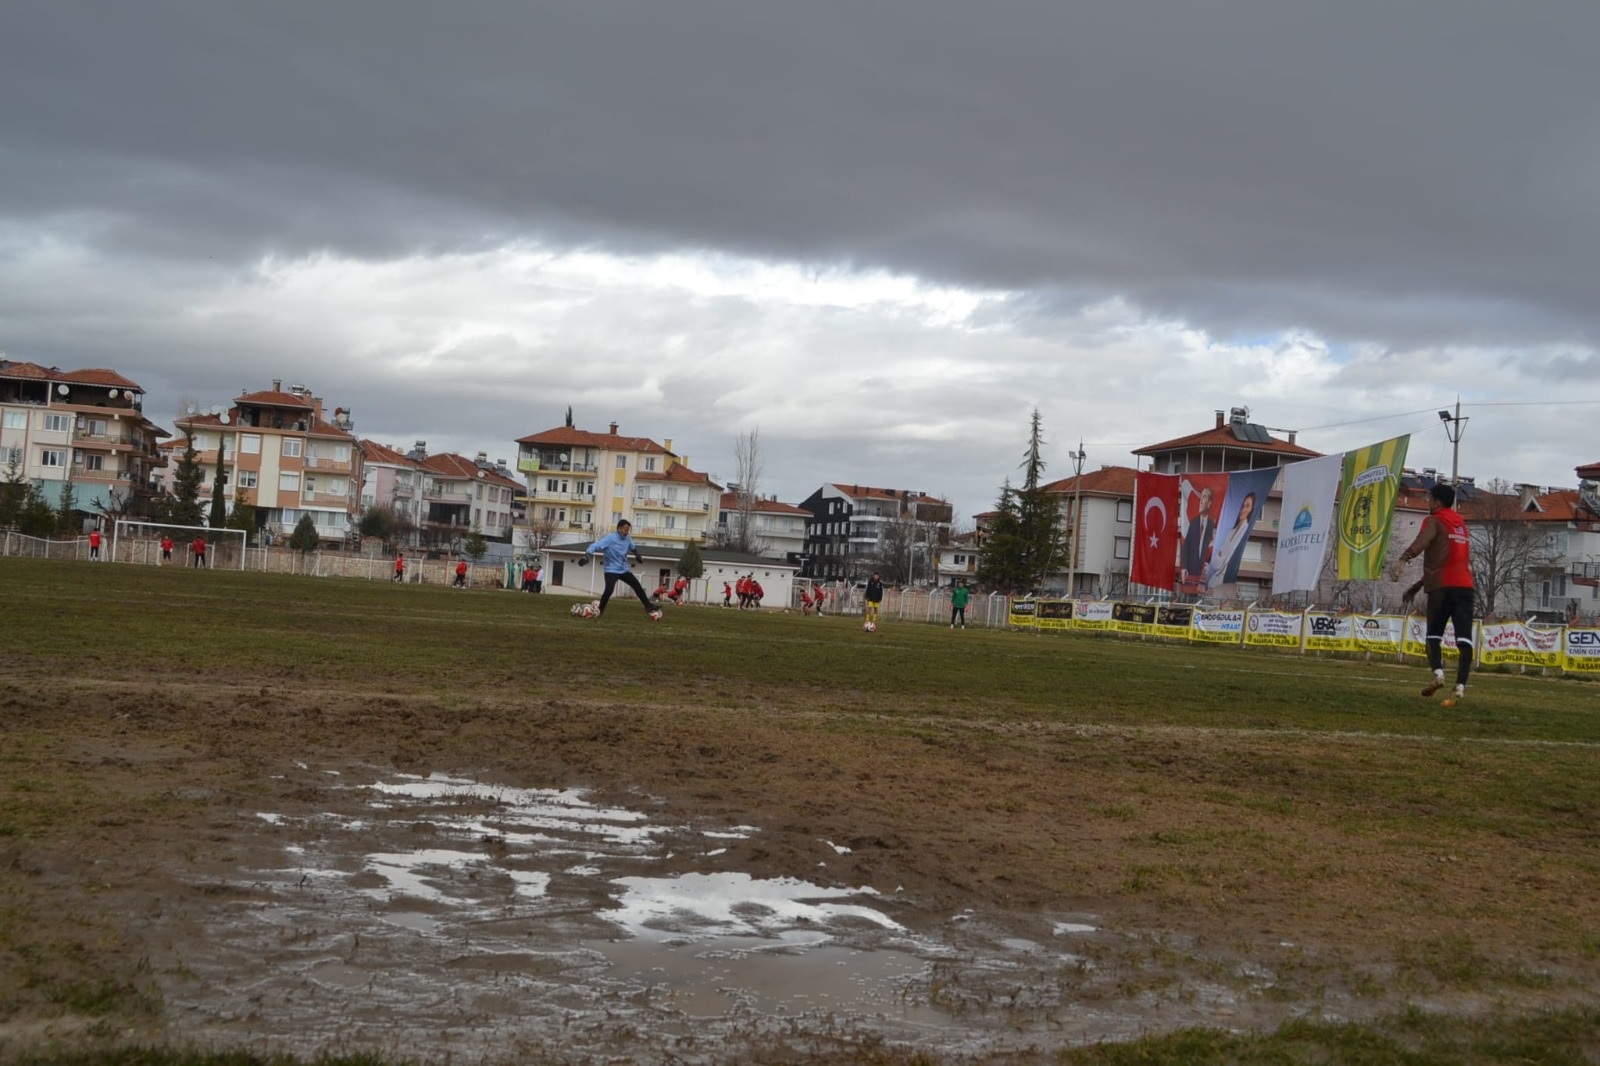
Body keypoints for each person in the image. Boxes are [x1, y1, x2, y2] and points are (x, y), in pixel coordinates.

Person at [1388, 482, 1475, 705]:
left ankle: (1438, 674)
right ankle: (1461, 687)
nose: (1428, 503)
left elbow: (1424, 541)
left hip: (1442, 588)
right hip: (1465, 587)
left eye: (1429, 499)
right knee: (1464, 640)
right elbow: (1451, 561)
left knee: (1433, 637)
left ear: (1436, 502)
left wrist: (1405, 557)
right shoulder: (1462, 526)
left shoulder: (1434, 520)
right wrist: (1417, 586)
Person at [585, 519, 661, 621]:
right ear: (619, 529)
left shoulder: (627, 538)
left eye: (628, 530)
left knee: (637, 586)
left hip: (623, 570)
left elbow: (632, 546)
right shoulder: (610, 539)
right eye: (625, 530)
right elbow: (596, 545)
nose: (627, 532)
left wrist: (637, 555)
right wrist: (587, 554)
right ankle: (600, 610)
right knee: (609, 590)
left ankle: (648, 606)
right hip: (611, 570)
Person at [1205, 492, 1257, 592]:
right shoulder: (1230, 532)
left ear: (1251, 509)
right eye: (1242, 506)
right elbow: (1217, 563)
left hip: (1226, 584)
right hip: (1214, 582)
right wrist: (1220, 556)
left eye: (1247, 506)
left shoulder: (1245, 531)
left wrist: (1221, 555)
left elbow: (1223, 559)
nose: (1243, 510)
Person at [1180, 486, 1216, 592]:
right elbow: (1185, 547)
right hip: (1191, 576)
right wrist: (1184, 567)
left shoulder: (1212, 526)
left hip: (1204, 578)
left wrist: (1209, 564)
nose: (1200, 501)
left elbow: (1216, 548)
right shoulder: (1193, 524)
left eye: (1204, 497)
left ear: (1209, 503)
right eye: (1200, 497)